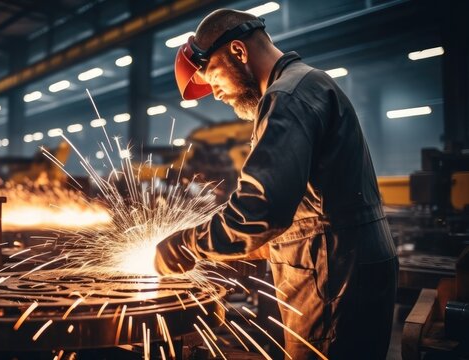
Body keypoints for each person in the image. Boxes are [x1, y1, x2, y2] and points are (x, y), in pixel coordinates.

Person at [154, 9, 398, 359]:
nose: (216, 94)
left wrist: (184, 245)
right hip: (346, 266)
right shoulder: (306, 84)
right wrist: (237, 248)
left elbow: (258, 210)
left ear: (238, 51)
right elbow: (309, 207)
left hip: (333, 277)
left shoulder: (286, 97)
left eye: (211, 76)